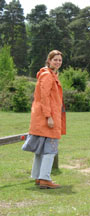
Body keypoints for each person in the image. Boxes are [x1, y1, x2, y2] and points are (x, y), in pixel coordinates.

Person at [22, 50, 66, 189]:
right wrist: (49, 116)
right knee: (50, 149)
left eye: (59, 60)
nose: (58, 62)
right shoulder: (47, 76)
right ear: (49, 60)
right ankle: (45, 178)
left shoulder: (49, 74)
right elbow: (44, 97)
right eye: (55, 60)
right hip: (47, 117)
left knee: (41, 149)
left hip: (42, 117)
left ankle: (37, 177)